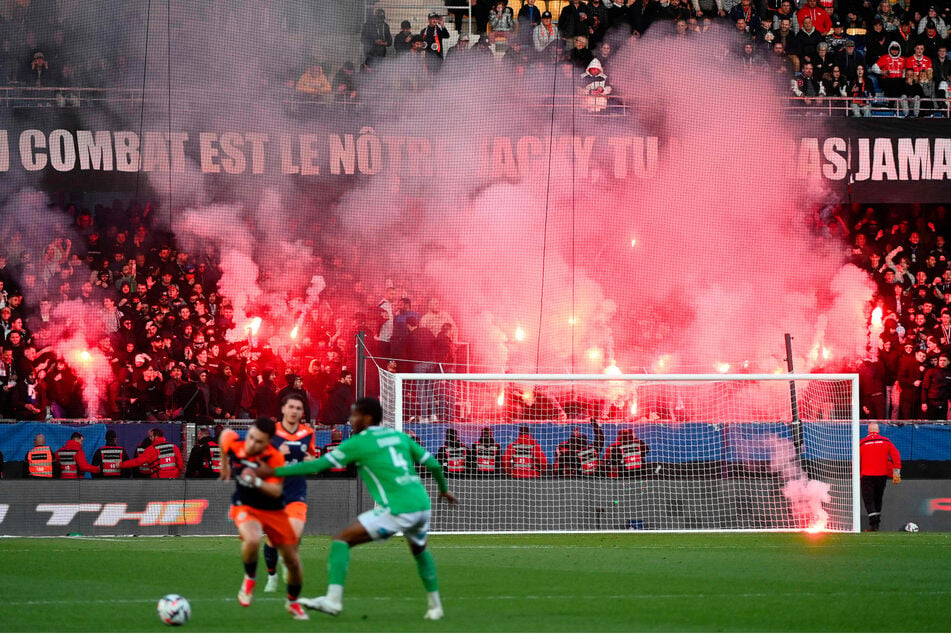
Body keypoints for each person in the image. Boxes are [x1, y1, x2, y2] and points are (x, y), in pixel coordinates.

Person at [257, 397, 458, 620]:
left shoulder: (359, 443)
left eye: (355, 415)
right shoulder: (399, 436)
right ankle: (435, 606)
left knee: (341, 540)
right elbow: (434, 464)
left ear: (367, 418)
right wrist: (443, 489)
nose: (351, 419)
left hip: (397, 508)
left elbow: (317, 465)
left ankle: (332, 600)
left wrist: (274, 472)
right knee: (420, 551)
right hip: (422, 504)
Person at [217, 419, 308, 620]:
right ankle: (250, 579)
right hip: (245, 505)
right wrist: (225, 466)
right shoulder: (237, 444)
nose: (251, 444)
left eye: (258, 442)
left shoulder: (274, 457)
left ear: (268, 443)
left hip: (274, 511)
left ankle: (293, 602)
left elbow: (276, 491)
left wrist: (255, 480)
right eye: (251, 437)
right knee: (253, 539)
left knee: (293, 562)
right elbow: (224, 436)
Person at [263, 394, 318, 593]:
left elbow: (311, 460)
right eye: (291, 407)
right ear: (283, 409)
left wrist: (312, 462)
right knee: (272, 540)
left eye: (298, 408)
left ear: (302, 412)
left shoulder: (308, 433)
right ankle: (272, 575)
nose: (294, 411)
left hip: (296, 492)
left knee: (293, 535)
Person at [859, 423, 901, 531]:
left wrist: (854, 475)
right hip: (881, 475)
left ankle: (874, 524)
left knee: (869, 499)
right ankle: (876, 524)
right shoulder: (886, 441)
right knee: (878, 498)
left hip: (867, 476)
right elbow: (896, 455)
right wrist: (896, 473)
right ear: (878, 431)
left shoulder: (862, 443)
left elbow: (856, 461)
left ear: (868, 431)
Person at [118, 427, 184, 478]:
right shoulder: (173, 446)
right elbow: (180, 463)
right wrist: (176, 473)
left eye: (151, 436)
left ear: (156, 436)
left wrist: (121, 464)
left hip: (158, 479)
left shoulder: (152, 449)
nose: (150, 438)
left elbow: (137, 461)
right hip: (174, 478)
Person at [921, 352, 951, 419]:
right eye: (940, 360)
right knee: (930, 423)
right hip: (932, 402)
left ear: (948, 362)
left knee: (942, 423)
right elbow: (924, 388)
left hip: (944, 403)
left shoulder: (950, 373)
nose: (942, 362)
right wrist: (924, 402)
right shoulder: (931, 371)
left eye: (944, 360)